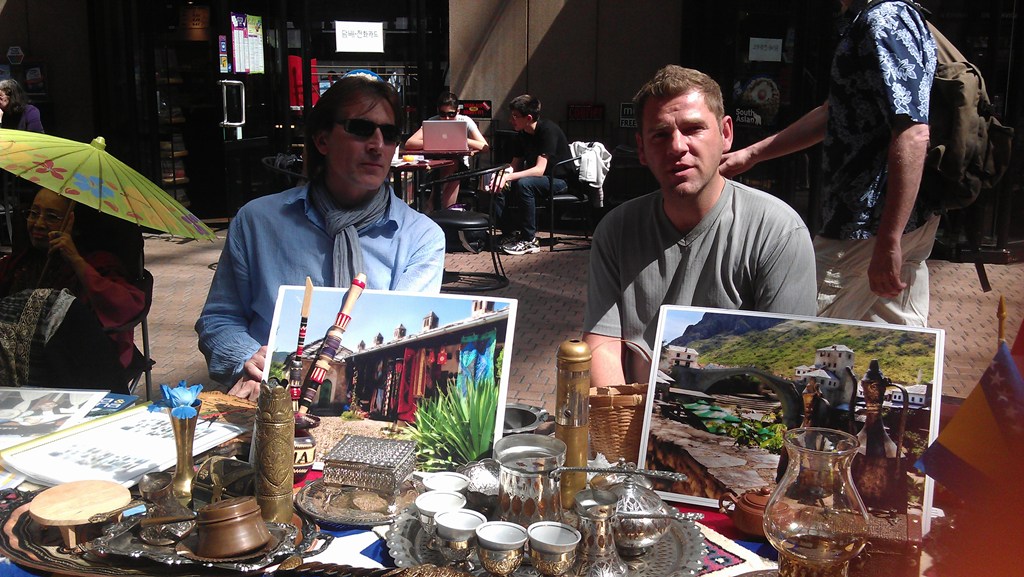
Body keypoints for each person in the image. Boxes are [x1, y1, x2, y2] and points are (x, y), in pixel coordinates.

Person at [196, 71, 446, 401]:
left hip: (359, 398)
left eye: (389, 134)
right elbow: (220, 318)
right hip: (269, 403)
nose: (377, 145)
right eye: (360, 128)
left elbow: (405, 332)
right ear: (322, 139)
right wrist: (248, 359)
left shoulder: (421, 237)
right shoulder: (257, 221)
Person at [583, 65, 817, 388]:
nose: (677, 146)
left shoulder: (778, 232)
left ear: (726, 134)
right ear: (641, 149)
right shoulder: (616, 231)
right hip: (631, 417)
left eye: (693, 129)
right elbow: (602, 347)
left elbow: (786, 366)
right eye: (660, 134)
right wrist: (627, 433)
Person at [720, 0, 938, 327]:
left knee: (794, 329)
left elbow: (914, 132)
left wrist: (888, 238)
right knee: (890, 343)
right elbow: (832, 113)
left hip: (866, 226)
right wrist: (751, 154)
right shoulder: (879, 17)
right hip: (895, 224)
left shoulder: (883, 20)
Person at [0, 187, 147, 389]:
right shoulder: (20, 262)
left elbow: (126, 308)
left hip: (80, 360)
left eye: (51, 217)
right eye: (33, 214)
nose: (38, 223)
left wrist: (76, 261)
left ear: (74, 224)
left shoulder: (98, 263)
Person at [494, 94, 574, 256]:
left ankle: (529, 240)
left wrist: (509, 177)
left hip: (560, 180)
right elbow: (514, 165)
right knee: (498, 182)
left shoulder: (548, 131)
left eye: (515, 116)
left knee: (525, 184)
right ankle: (508, 233)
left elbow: (539, 170)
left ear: (529, 117)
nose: (511, 120)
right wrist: (502, 176)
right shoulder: (522, 134)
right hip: (537, 179)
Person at [404, 92, 490, 210]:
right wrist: (435, 141)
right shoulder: (432, 122)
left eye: (451, 114)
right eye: (443, 114)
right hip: (435, 169)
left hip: (461, 169)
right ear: (438, 111)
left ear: (457, 112)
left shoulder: (465, 121)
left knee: (452, 164)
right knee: (452, 172)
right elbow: (410, 143)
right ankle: (446, 213)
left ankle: (433, 204)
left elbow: (485, 147)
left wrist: (462, 140)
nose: (447, 118)